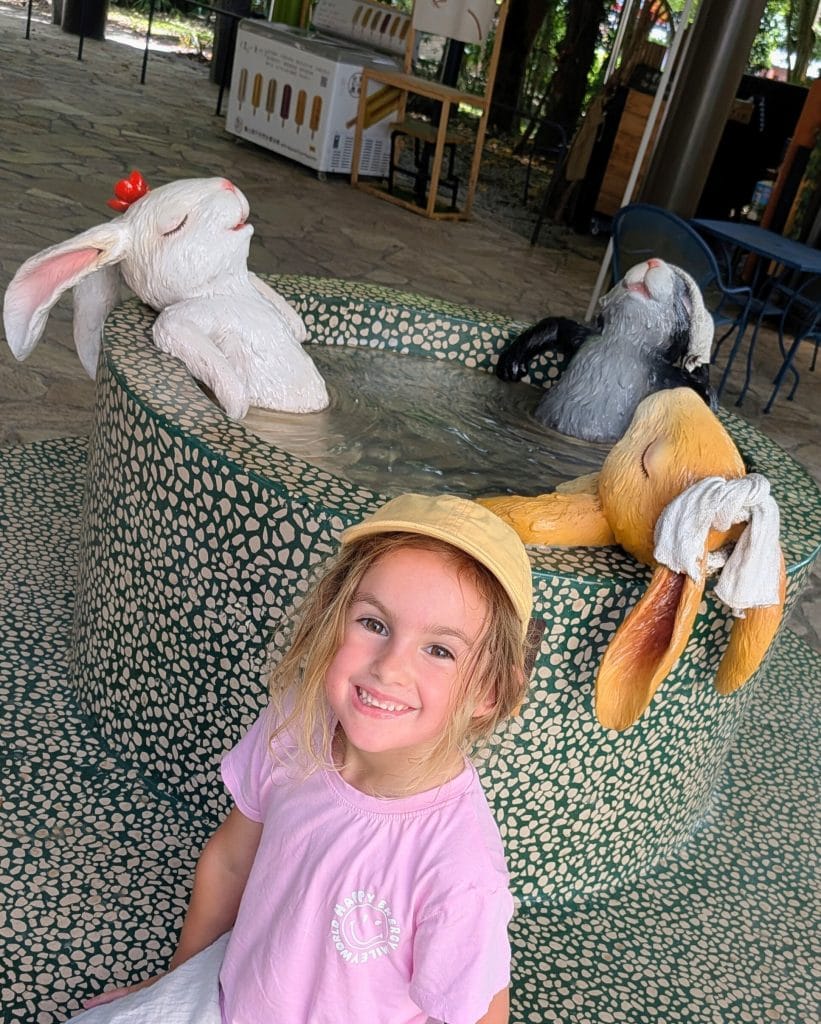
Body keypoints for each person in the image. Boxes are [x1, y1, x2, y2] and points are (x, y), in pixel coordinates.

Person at [76, 492, 534, 1024]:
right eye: (374, 624)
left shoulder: (459, 868)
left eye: (439, 650)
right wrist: (177, 984)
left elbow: (480, 1014)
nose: (389, 668)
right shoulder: (296, 724)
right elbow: (229, 861)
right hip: (223, 998)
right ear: (331, 616)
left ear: (490, 691)